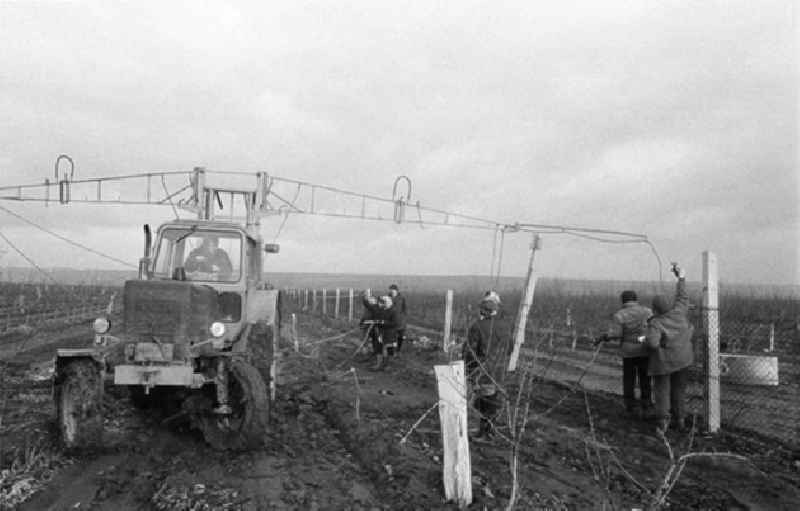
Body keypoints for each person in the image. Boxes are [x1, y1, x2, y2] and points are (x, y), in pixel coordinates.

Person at [645, 263, 694, 433]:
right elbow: (682, 297)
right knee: (679, 390)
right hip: (683, 359)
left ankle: (663, 422)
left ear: (655, 308)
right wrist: (681, 277)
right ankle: (680, 420)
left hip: (664, 363)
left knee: (662, 391)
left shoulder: (656, 323)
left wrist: (646, 339)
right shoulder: (680, 312)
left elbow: (652, 343)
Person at [463, 295, 511, 441]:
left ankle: (486, 433)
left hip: (482, 371)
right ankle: (486, 431)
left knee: (484, 401)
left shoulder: (477, 326)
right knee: (493, 400)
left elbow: (470, 352)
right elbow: (510, 348)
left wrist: (469, 370)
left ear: (483, 311)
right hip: (499, 370)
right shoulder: (506, 326)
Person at [611, 290, 654, 418]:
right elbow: (653, 329)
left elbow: (617, 334)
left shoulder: (619, 315)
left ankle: (630, 406)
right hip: (644, 349)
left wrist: (607, 337)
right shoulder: (648, 312)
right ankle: (647, 404)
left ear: (623, 301)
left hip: (628, 351)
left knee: (629, 379)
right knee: (645, 378)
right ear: (636, 299)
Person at [388, 284, 407, 351]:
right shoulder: (387, 298)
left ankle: (398, 348)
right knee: (390, 336)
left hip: (400, 321)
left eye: (393, 290)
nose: (392, 291)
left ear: (396, 291)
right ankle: (390, 351)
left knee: (400, 336)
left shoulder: (401, 298)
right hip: (390, 320)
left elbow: (404, 309)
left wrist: (403, 319)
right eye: (390, 290)